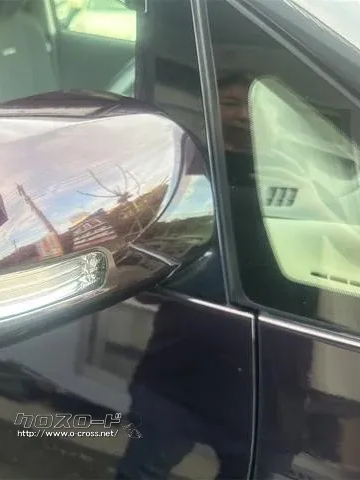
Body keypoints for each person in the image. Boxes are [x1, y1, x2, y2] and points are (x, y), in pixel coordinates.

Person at [115, 72, 315, 480]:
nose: (243, 114)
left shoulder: (300, 185)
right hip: (180, 367)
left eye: (254, 105)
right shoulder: (185, 174)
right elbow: (149, 274)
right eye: (230, 103)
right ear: (209, 109)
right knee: (143, 470)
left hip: (268, 378)